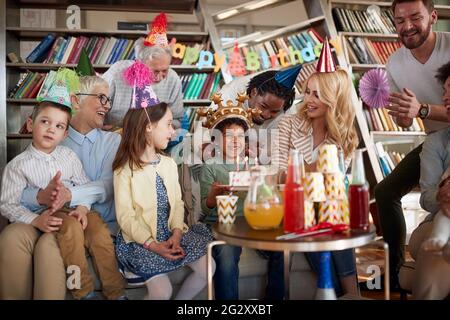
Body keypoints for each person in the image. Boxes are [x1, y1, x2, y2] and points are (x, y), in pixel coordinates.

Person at [0, 69, 125, 300]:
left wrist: (70, 197)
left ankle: (96, 291)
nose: (107, 106)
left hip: (79, 217)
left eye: (108, 100)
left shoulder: (110, 141)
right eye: (101, 98)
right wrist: (39, 197)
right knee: (11, 236)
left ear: (63, 129)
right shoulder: (51, 141)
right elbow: (12, 196)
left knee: (52, 245)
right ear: (76, 100)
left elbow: (108, 185)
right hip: (37, 215)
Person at [112, 61, 214, 300]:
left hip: (170, 234)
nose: (173, 131)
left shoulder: (168, 163)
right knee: (162, 291)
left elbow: (177, 204)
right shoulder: (124, 169)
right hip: (142, 242)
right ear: (148, 127)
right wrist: (153, 244)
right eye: (168, 125)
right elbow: (126, 217)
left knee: (209, 267)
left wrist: (177, 234)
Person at [273, 41, 359, 296]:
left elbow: (334, 183)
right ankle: (345, 294)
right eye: (308, 91)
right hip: (293, 205)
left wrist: (306, 170)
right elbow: (279, 174)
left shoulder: (343, 135)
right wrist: (313, 169)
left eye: (317, 95)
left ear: (333, 100)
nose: (308, 99)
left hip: (329, 208)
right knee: (325, 218)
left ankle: (350, 293)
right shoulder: (288, 124)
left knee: (334, 213)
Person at [374, 0, 450, 289]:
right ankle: (394, 273)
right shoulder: (395, 62)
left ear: (432, 16)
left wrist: (422, 110)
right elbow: (408, 119)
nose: (407, 27)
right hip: (436, 142)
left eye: (415, 18)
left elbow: (422, 110)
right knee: (385, 191)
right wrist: (404, 116)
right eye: (399, 20)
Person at [198, 102, 284, 300]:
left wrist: (261, 176)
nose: (235, 141)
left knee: (281, 247)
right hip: (223, 224)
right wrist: (214, 193)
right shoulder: (210, 166)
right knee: (226, 256)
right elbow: (206, 206)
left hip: (251, 222)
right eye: (229, 137)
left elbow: (265, 195)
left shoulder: (252, 165)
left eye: (239, 137)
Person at [409, 61, 450, 299]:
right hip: (438, 219)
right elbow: (426, 198)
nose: (445, 97)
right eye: (444, 90)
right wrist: (441, 194)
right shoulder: (436, 143)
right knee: (434, 253)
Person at [102, 13, 184, 130]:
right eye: (154, 71)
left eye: (165, 70)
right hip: (113, 138)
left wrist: (162, 128)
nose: (160, 77)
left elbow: (177, 120)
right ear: (139, 62)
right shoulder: (117, 73)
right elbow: (95, 108)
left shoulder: (173, 79)